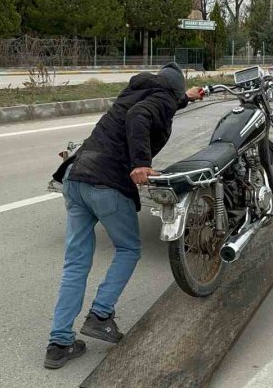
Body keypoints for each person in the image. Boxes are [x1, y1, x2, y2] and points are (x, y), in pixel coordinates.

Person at [44, 63, 204, 369]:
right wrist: (140, 163)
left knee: (76, 262)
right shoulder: (155, 101)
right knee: (129, 249)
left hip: (76, 178)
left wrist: (187, 97)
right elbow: (140, 116)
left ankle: (59, 343)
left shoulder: (136, 90)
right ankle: (101, 314)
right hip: (107, 183)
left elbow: (149, 104)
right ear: (171, 91)